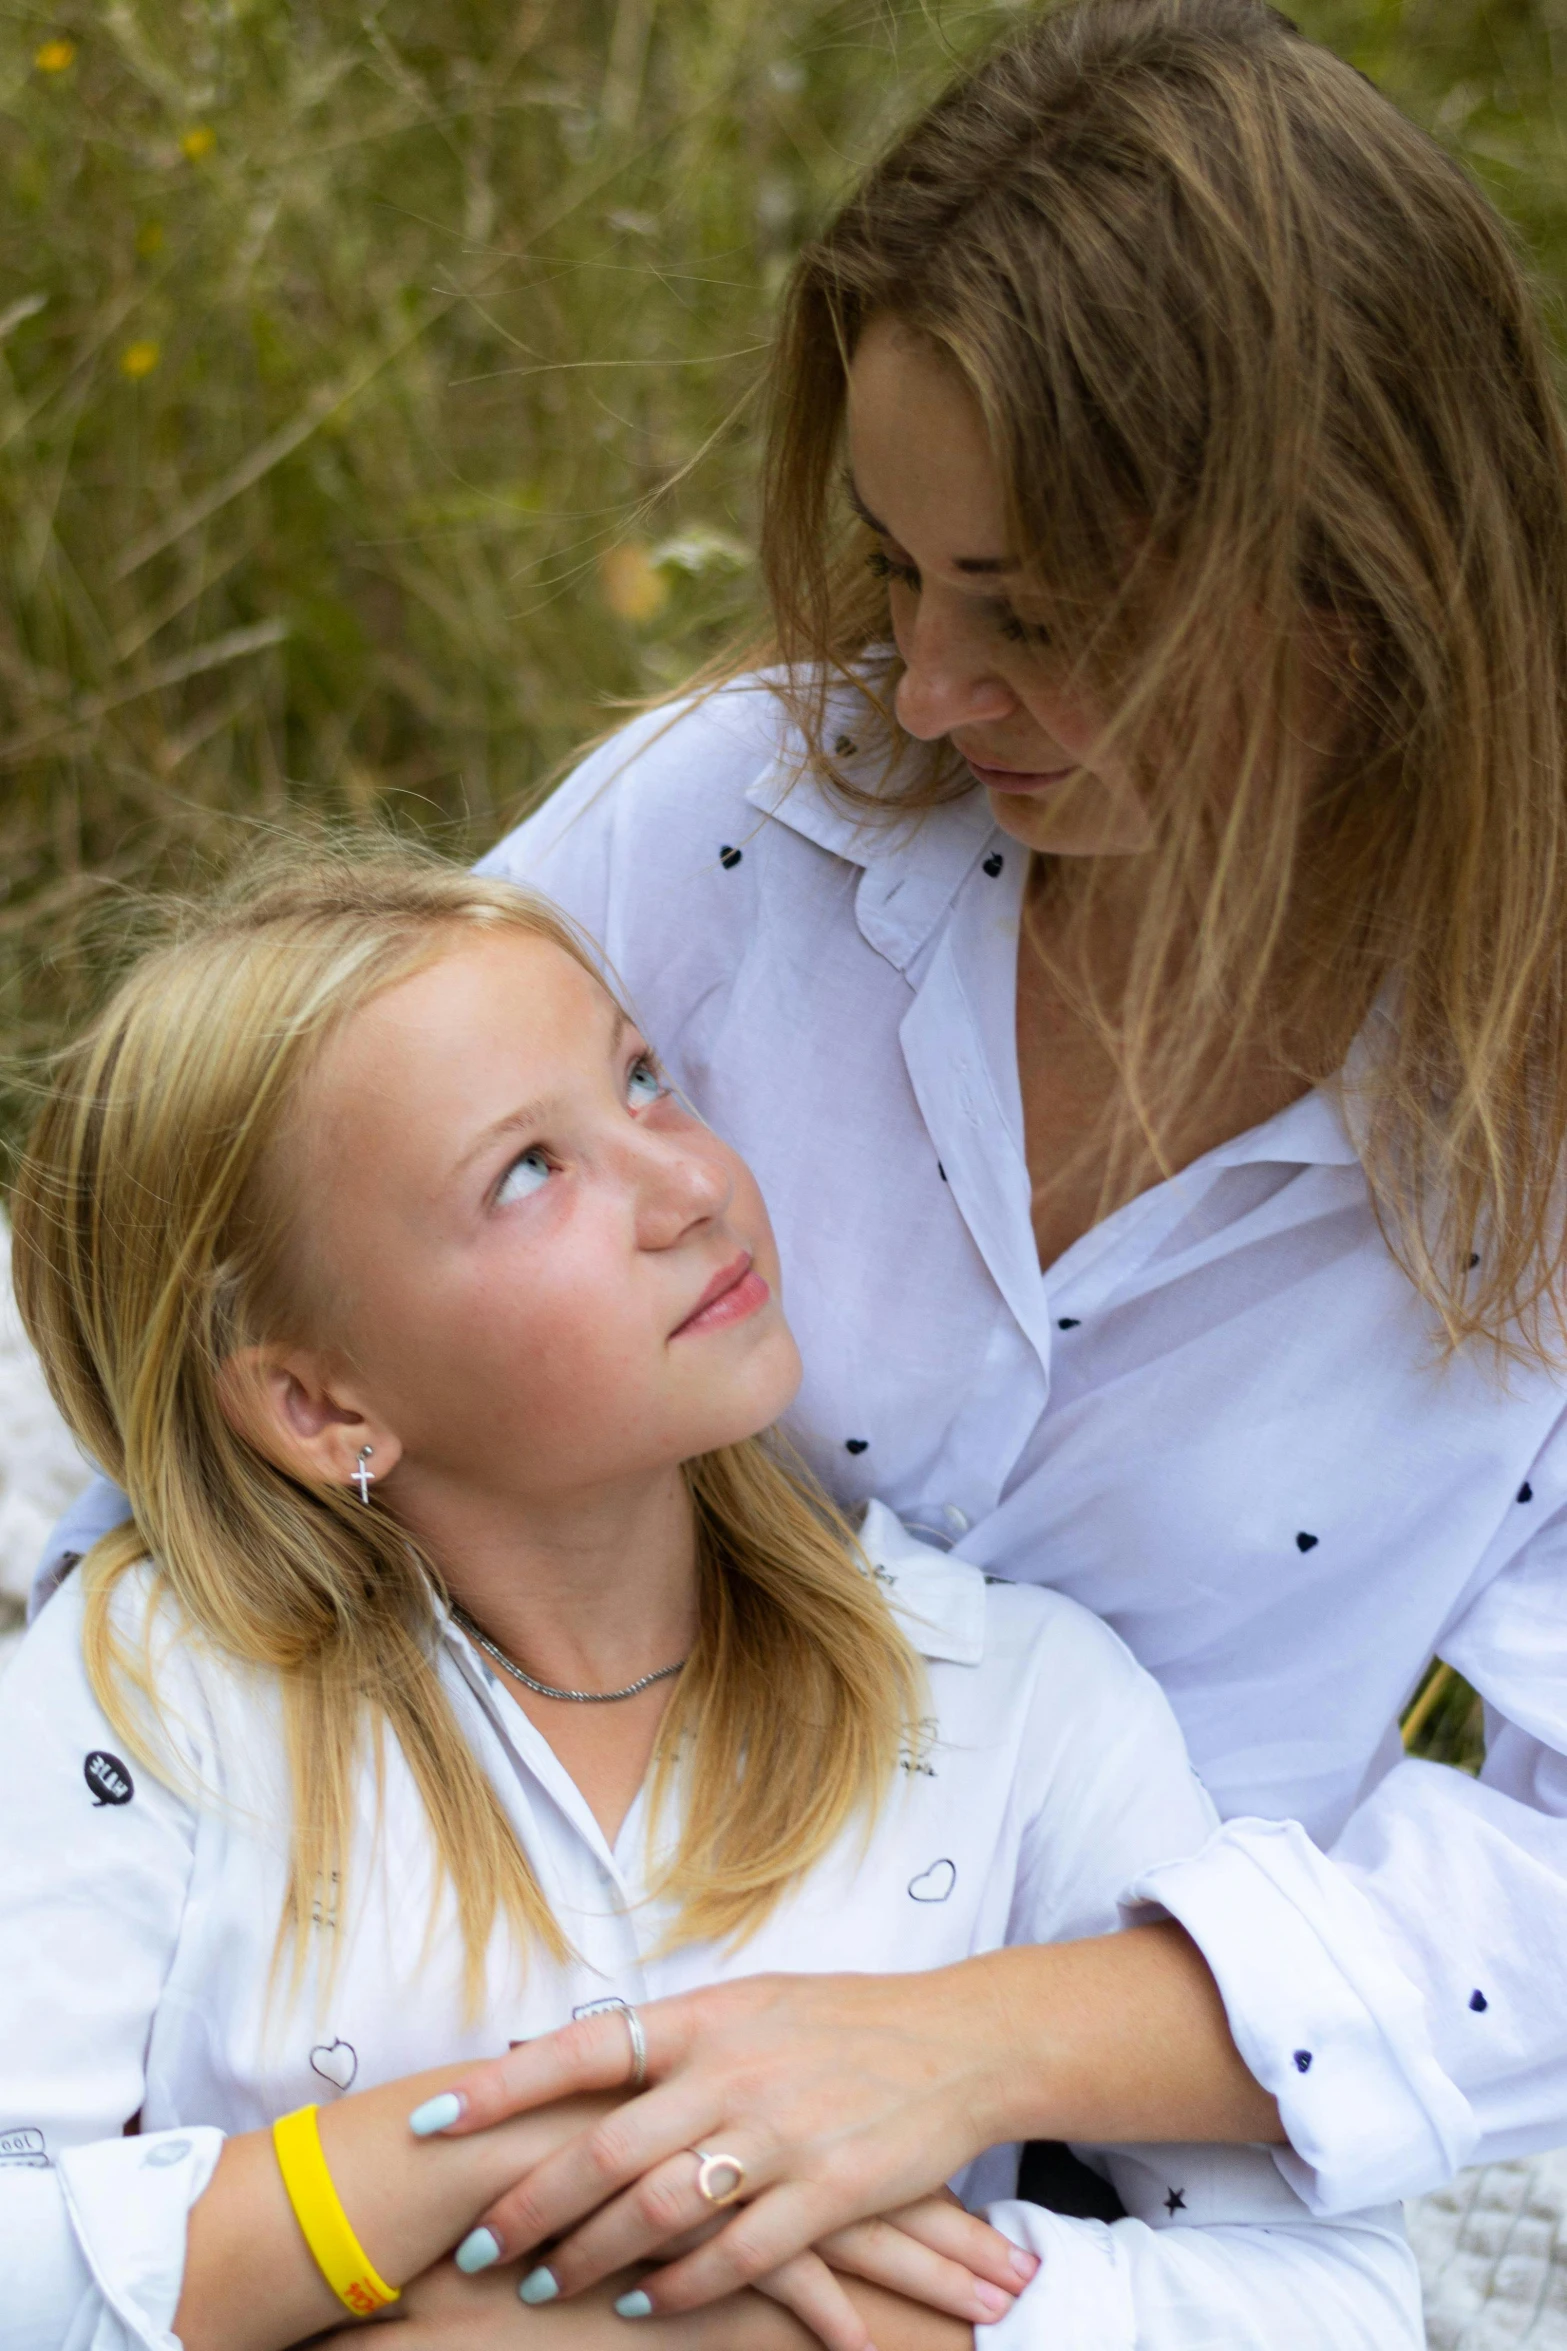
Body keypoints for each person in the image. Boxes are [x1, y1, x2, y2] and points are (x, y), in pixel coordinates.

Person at [328, 0, 1567, 2325]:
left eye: (1043, 614)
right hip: (499, 1949)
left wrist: (931, 2050)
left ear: (1371, 579)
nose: (917, 691)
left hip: (1141, 2154)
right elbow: (209, 1274)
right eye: (904, 569)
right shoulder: (734, 818)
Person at [0, 849, 1419, 2351]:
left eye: (643, 1078)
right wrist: (500, 2156)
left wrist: (705, 2324)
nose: (690, 1184)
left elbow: (1334, 2302)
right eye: (527, 1169)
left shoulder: (1014, 1701)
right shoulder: (147, 1685)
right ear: (321, 1402)